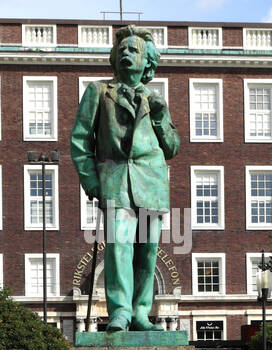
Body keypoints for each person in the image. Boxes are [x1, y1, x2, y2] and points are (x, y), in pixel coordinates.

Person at [70, 25, 180, 332]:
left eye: (133, 50)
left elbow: (171, 147)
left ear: (147, 62)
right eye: (122, 50)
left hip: (151, 184)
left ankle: (142, 313)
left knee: (147, 252)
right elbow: (80, 141)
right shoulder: (98, 92)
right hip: (115, 182)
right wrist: (92, 182)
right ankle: (120, 312)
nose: (126, 54)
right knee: (119, 245)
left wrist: (159, 116)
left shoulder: (155, 100)